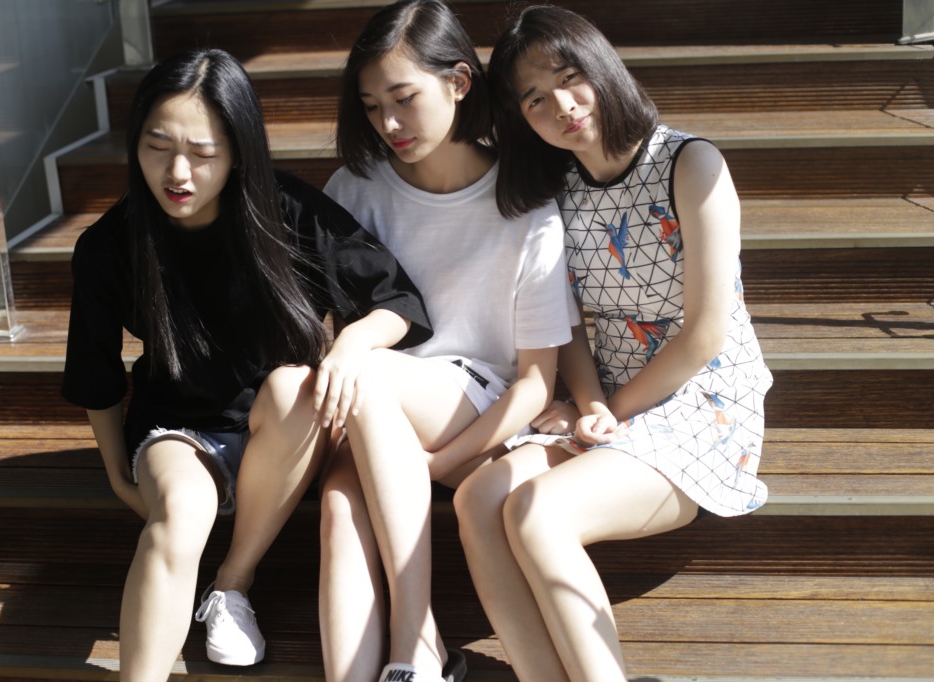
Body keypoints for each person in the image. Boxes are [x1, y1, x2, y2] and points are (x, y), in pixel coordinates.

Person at [61, 48, 431, 682]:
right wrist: (117, 472)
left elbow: (397, 302)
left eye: (202, 153)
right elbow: (94, 371)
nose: (178, 172)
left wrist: (349, 346)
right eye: (157, 147)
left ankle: (232, 583)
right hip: (178, 428)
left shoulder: (285, 211)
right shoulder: (109, 244)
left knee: (297, 387)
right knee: (180, 514)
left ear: (237, 152)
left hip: (285, 430)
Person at [453, 5, 774, 681]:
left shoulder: (690, 163)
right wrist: (590, 400)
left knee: (538, 510)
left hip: (702, 402)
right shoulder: (556, 190)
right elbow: (566, 323)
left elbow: (705, 333)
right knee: (478, 500)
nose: (562, 106)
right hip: (609, 400)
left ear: (602, 68)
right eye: (535, 99)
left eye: (570, 78)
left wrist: (604, 410)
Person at [315, 1, 577, 680]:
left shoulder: (524, 204)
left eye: (404, 99)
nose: (389, 124)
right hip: (374, 410)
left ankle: (417, 640)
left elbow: (536, 384)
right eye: (372, 107)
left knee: (370, 371)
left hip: (479, 410)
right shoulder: (355, 190)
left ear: (459, 82)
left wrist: (435, 465)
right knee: (340, 507)